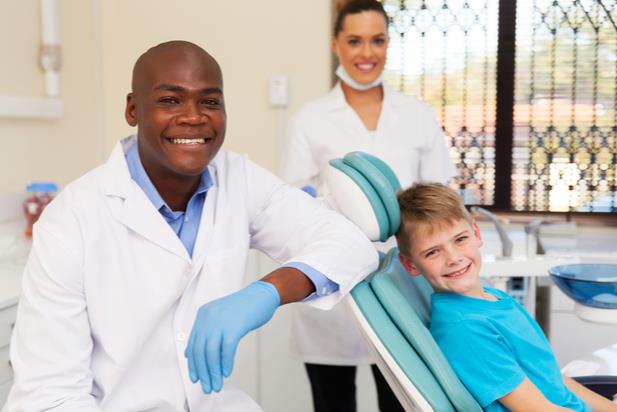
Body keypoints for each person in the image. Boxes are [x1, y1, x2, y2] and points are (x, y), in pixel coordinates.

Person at [3, 41, 379, 412]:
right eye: (170, 100)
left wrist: (267, 291)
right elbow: (50, 398)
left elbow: (348, 241)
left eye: (210, 102)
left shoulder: (239, 179)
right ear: (133, 109)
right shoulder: (71, 220)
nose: (194, 116)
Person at [279, 0, 455, 410]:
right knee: (333, 403)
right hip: (332, 286)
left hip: (403, 282)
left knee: (402, 402)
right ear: (335, 44)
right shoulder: (311, 118)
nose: (366, 53)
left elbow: (439, 199)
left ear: (388, 44)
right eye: (355, 40)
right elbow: (291, 203)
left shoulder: (416, 115)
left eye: (377, 40)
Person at [396, 182, 617, 412]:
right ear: (411, 265)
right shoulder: (466, 329)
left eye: (460, 239)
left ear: (476, 233)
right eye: (433, 252)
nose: (453, 258)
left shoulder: (494, 298)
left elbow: (553, 379)